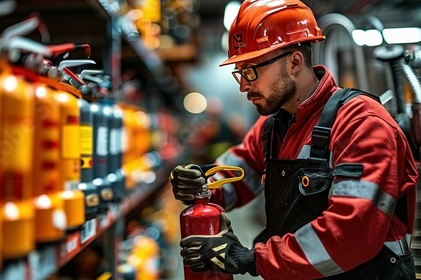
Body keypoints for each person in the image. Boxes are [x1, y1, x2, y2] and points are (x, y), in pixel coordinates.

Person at [169, 0, 419, 279]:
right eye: (239, 72)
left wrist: (253, 259)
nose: (243, 85)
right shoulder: (273, 126)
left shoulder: (361, 124)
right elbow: (239, 174)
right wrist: (201, 184)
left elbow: (351, 233)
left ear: (294, 62)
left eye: (251, 70)